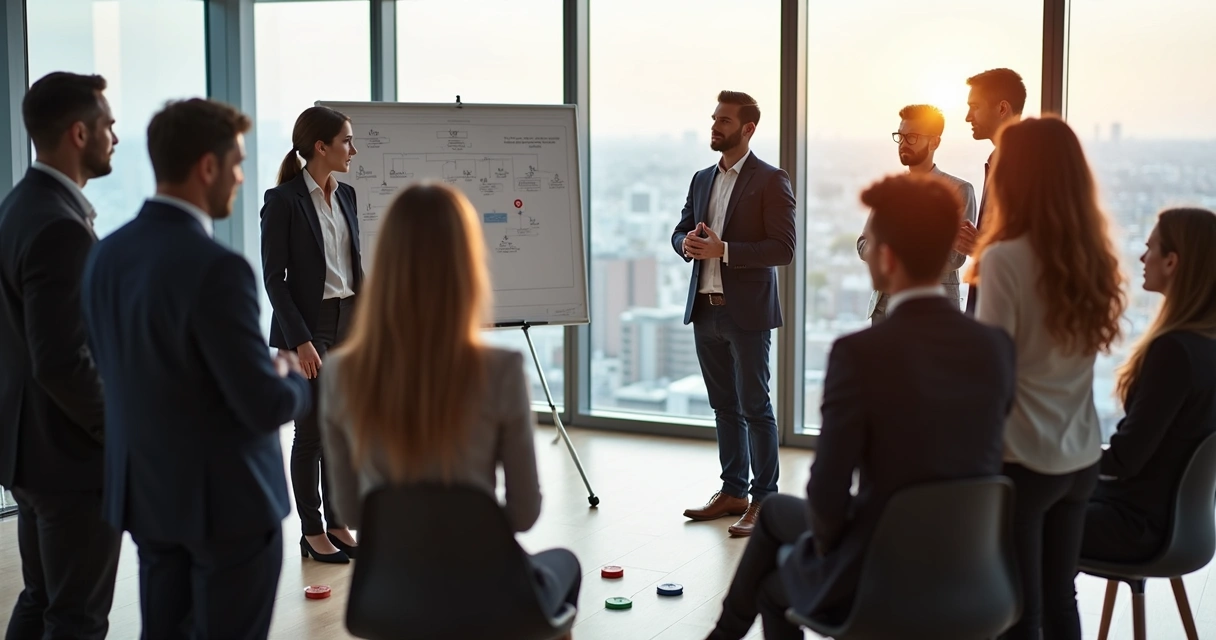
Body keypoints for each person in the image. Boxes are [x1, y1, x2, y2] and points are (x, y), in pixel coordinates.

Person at [706, 173, 1015, 640]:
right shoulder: (995, 347)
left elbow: (828, 493)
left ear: (886, 258)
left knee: (772, 577)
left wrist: (828, 551)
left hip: (886, 575)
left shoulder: (860, 353)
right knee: (773, 517)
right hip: (975, 570)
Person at [81, 98, 312, 640]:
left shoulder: (106, 256)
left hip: (149, 496)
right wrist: (292, 377)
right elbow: (260, 403)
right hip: (229, 506)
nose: (239, 177)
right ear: (207, 166)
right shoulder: (218, 269)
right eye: (235, 163)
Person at [319, 182, 581, 619]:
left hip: (388, 595)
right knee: (566, 565)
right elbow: (524, 513)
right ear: (467, 265)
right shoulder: (501, 369)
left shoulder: (342, 372)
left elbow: (348, 510)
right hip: (483, 591)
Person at [967, 116, 1126, 640]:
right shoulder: (1092, 259)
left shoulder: (1005, 260)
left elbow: (992, 372)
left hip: (1024, 459)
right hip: (1079, 456)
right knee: (1061, 599)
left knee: (1020, 610)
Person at [0, 71, 121, 640]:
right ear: (79, 133)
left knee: (43, 598)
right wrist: (118, 429)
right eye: (109, 126)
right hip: (70, 455)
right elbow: (61, 360)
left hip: (32, 449)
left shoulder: (21, 204)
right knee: (76, 617)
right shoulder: (57, 225)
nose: (115, 138)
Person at [672, 90, 796, 537]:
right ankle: (733, 491)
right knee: (724, 406)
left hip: (747, 313)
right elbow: (681, 227)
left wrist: (723, 250)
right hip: (705, 308)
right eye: (713, 118)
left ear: (748, 129)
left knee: (756, 407)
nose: (714, 126)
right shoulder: (702, 178)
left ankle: (765, 499)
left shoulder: (770, 179)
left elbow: (783, 249)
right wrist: (685, 243)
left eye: (723, 120)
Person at [1082, 208, 1216, 562]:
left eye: (1150, 247)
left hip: (1136, 525)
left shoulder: (1174, 351)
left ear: (1171, 261)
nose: (1142, 257)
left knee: (1022, 513)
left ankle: (1042, 614)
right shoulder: (1205, 347)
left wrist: (1058, 456)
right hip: (1185, 524)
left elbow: (1125, 460)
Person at [260, 105, 363, 562]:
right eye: (345, 141)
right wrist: (300, 339)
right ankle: (312, 530)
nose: (352, 150)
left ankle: (338, 521)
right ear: (320, 147)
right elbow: (273, 278)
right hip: (308, 328)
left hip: (348, 321)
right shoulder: (282, 201)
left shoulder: (348, 196)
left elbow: (353, 269)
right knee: (312, 434)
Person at [858, 104, 976, 322]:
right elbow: (863, 245)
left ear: (935, 142)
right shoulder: (891, 188)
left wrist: (893, 252)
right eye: (900, 136)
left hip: (934, 312)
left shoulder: (958, 190)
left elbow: (954, 256)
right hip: (884, 309)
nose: (903, 143)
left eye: (911, 137)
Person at [960, 67, 1026, 315]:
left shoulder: (1024, 162)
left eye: (974, 106)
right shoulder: (998, 157)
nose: (968, 117)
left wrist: (981, 248)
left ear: (1001, 109)